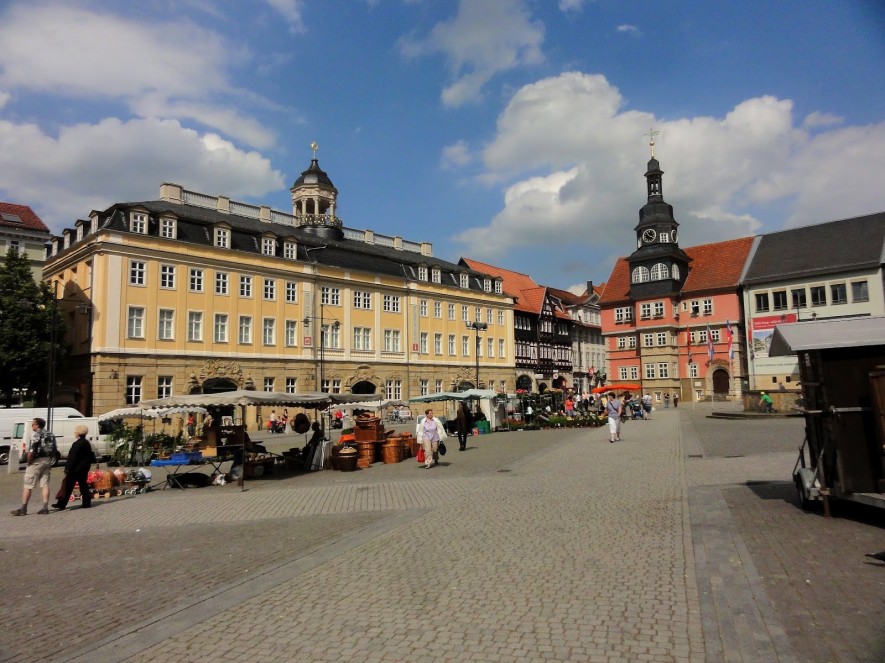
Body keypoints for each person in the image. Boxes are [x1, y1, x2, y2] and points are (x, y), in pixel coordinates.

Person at [11, 418, 57, 516]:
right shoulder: (51, 434)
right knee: (44, 484)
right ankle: (45, 508)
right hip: (47, 460)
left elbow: (33, 450)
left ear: (37, 425)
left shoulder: (36, 434)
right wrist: (50, 458)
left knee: (28, 485)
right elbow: (55, 449)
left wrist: (29, 462)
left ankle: (23, 508)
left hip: (37, 461)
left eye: (33, 424)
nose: (32, 426)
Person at [52, 424, 96, 510]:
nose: (75, 433)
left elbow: (72, 458)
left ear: (78, 433)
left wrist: (67, 469)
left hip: (75, 469)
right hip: (84, 468)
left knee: (68, 486)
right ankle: (87, 502)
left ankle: (61, 504)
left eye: (75, 432)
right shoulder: (87, 443)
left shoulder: (76, 444)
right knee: (83, 485)